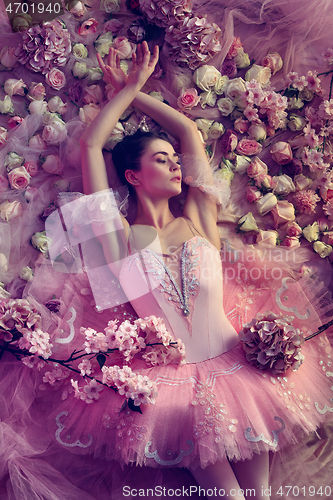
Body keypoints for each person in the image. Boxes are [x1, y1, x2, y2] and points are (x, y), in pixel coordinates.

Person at [76, 42, 333, 499]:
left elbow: (191, 134)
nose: (176, 165)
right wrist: (125, 91)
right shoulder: (114, 240)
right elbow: (92, 145)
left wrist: (135, 92)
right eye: (161, 160)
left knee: (262, 496)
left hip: (243, 370)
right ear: (133, 176)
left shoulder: (197, 218)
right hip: (175, 387)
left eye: (175, 161)